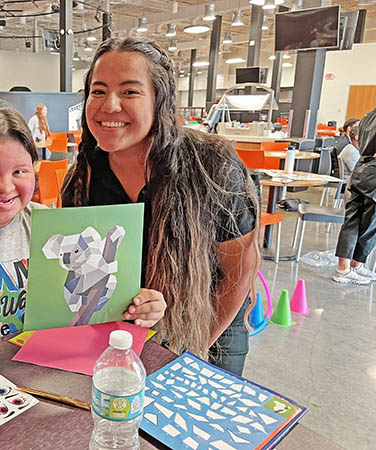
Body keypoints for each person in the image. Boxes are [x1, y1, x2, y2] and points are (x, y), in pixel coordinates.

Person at [0, 105, 165, 361]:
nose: (6, 186)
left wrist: (139, 307)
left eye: (20, 171)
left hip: (41, 370)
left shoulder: (45, 224)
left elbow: (89, 306)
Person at [62, 38, 259, 376]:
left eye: (129, 92)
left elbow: (238, 273)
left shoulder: (211, 166)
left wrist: (194, 351)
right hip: (123, 335)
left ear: (160, 100)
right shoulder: (83, 178)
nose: (109, 105)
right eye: (98, 91)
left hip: (211, 325)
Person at [333, 107, 376, 285]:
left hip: (361, 168)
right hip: (374, 173)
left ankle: (344, 268)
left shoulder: (368, 116)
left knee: (352, 219)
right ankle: (356, 264)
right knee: (370, 223)